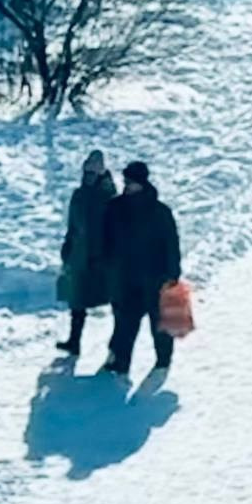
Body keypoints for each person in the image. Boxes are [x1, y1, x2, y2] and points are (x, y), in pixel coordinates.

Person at [101, 160, 182, 378]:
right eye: (125, 180)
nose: (127, 185)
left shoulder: (160, 211)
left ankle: (163, 360)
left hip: (154, 277)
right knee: (125, 322)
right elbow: (105, 240)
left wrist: (172, 274)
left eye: (131, 181)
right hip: (124, 276)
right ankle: (121, 362)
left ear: (142, 182)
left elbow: (171, 244)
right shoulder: (115, 208)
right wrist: (108, 267)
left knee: (159, 322)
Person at [57, 150, 116, 356]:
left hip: (100, 256)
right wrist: (67, 250)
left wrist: (105, 254)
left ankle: (117, 346)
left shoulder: (108, 195)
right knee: (77, 301)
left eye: (94, 170)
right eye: (87, 169)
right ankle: (74, 342)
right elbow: (73, 226)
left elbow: (111, 228)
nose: (90, 174)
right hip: (79, 255)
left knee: (112, 299)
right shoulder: (79, 194)